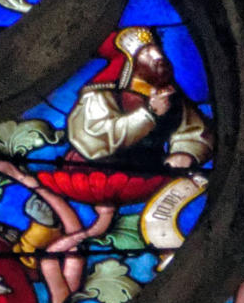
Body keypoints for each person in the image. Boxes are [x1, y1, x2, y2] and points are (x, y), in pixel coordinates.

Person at [37, 27, 214, 211]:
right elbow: (94, 138)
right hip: (97, 174)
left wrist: (186, 152)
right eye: (147, 52)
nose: (158, 57)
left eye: (158, 50)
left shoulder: (169, 95)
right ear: (130, 62)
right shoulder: (101, 94)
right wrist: (148, 114)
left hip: (151, 174)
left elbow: (194, 131)